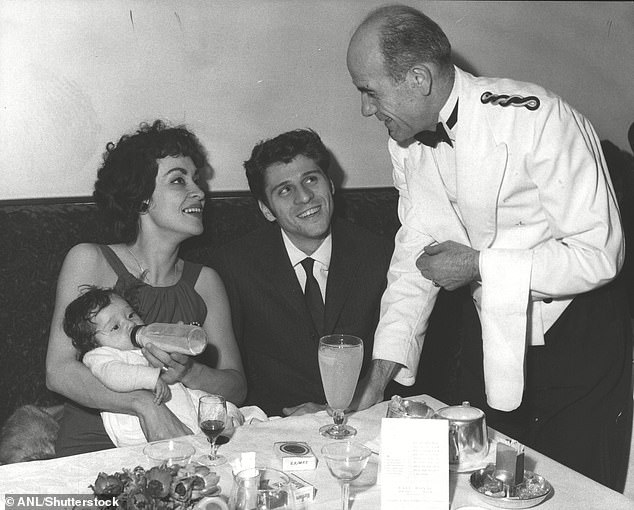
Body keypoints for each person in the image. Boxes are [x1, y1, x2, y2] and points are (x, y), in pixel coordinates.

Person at [346, 4, 632, 491]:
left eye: (369, 92)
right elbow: (414, 261)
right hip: (494, 342)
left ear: (418, 78)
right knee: (488, 490)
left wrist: (479, 265)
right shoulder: (407, 141)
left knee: (576, 494)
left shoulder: (539, 119)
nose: (365, 109)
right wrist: (374, 385)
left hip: (578, 342)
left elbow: (601, 254)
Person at [46, 120, 246, 456]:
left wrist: (189, 371)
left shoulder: (206, 281)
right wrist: (146, 405)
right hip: (95, 448)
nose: (199, 191)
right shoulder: (89, 260)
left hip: (184, 446)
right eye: (179, 180)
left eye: (196, 180)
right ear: (141, 199)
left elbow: (236, 387)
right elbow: (59, 371)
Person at [209, 128, 396, 417]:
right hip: (276, 429)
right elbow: (233, 378)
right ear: (267, 210)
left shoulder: (380, 255)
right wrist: (278, 418)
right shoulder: (234, 265)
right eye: (284, 190)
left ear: (330, 184)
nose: (305, 197)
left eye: (311, 179)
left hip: (364, 420)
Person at [62, 286, 245, 447]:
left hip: (181, 413)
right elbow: (113, 374)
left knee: (216, 405)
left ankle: (226, 425)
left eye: (131, 315)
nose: (129, 324)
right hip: (140, 431)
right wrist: (150, 378)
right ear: (93, 343)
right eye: (115, 327)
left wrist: (176, 341)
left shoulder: (145, 346)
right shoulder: (100, 355)